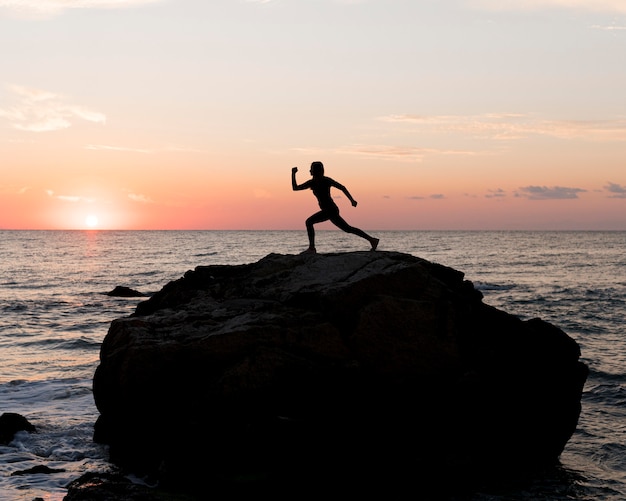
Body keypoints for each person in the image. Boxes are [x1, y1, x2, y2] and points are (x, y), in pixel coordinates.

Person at [291, 161, 379, 253]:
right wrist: (293, 174)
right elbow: (295, 188)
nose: (309, 171)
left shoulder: (326, 180)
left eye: (311, 169)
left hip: (330, 210)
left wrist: (351, 200)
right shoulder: (312, 183)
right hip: (329, 210)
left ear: (317, 171)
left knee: (309, 222)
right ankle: (372, 240)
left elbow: (342, 187)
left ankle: (312, 248)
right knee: (348, 229)